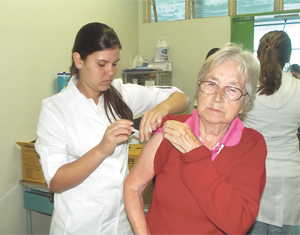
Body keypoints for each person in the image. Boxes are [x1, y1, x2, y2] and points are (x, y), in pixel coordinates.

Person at [35, 22, 190, 234]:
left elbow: (182, 98)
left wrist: (160, 110)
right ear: (78, 59)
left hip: (120, 224)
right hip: (79, 226)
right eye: (101, 64)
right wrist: (101, 149)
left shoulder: (120, 92)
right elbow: (56, 182)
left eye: (114, 64)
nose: (110, 72)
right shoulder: (55, 108)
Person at [124, 43, 267, 234]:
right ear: (198, 89)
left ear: (244, 104)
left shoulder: (251, 145)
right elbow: (133, 187)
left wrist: (194, 154)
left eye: (232, 89)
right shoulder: (172, 130)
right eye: (211, 84)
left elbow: (237, 222)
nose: (218, 96)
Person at [242, 31, 300, 234]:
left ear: (258, 54)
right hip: (290, 174)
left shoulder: (246, 88)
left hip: (253, 172)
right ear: (288, 57)